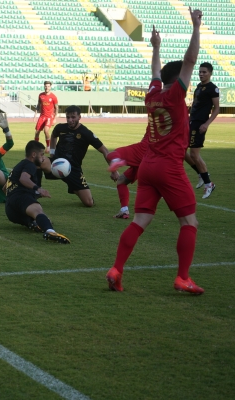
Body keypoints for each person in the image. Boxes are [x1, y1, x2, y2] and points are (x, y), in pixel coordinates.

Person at [106, 15, 205, 295]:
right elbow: (189, 61)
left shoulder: (152, 96)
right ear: (179, 83)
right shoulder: (175, 96)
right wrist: (196, 28)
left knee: (140, 221)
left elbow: (155, 74)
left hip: (148, 165)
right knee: (189, 222)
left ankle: (116, 269)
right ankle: (182, 277)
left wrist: (156, 47)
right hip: (168, 167)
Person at [48, 105, 119, 207]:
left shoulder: (86, 133)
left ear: (79, 117)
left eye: (73, 117)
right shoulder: (60, 127)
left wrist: (114, 170)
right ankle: (32, 194)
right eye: (68, 117)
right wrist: (52, 153)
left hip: (74, 169)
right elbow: (54, 135)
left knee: (89, 203)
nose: (70, 120)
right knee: (37, 164)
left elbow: (104, 150)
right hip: (57, 162)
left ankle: (72, 184)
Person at [5, 140, 70, 244]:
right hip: (20, 198)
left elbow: (7, 186)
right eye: (42, 154)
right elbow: (23, 179)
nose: (43, 158)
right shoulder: (30, 165)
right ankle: (50, 232)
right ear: (34, 154)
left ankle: (32, 223)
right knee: (39, 212)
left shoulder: (19, 165)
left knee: (41, 219)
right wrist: (38, 189)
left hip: (10, 209)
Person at [184, 62, 219, 198]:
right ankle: (200, 173)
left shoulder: (212, 89)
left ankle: (208, 183)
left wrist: (207, 124)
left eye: (204, 72)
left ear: (210, 73)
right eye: (200, 72)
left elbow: (217, 108)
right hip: (191, 122)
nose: (201, 74)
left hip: (200, 124)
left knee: (194, 154)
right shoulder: (199, 87)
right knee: (181, 151)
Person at [106, 133, 150, 219]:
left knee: (114, 153)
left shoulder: (162, 121)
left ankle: (116, 161)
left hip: (148, 151)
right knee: (121, 181)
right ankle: (124, 210)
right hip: (148, 155)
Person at [32, 81, 58, 150]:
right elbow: (38, 106)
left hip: (49, 117)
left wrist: (55, 118)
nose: (47, 87)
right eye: (46, 86)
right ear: (44, 86)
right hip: (42, 116)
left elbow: (56, 108)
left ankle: (48, 146)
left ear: (50, 87)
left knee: (46, 130)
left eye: (48, 86)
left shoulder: (53, 97)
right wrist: (35, 115)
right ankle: (36, 146)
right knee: (37, 132)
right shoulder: (41, 95)